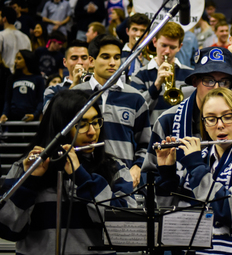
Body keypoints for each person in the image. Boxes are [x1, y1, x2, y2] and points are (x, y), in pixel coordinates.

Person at [0, 90, 135, 254]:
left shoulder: (115, 168)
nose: (92, 131)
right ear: (59, 128)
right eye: (82, 124)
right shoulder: (26, 167)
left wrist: (82, 177)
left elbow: (127, 228)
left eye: (96, 122)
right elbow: (7, 229)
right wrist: (29, 182)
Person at [154, 87, 232, 254]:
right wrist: (167, 174)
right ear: (203, 123)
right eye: (211, 119)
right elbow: (172, 219)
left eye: (227, 117)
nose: (219, 125)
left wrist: (196, 167)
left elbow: (231, 212)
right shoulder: (199, 157)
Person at [141, 46, 232, 174]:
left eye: (224, 82)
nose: (217, 87)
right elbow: (150, 174)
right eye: (209, 80)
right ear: (194, 81)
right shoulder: (168, 120)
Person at [72, 35, 151, 187]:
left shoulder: (136, 97)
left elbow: (145, 143)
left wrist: (138, 166)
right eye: (105, 56)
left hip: (123, 181)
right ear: (91, 60)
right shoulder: (75, 94)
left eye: (117, 57)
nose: (112, 62)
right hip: (81, 179)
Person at [130, 22, 194, 124]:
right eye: (163, 45)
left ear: (179, 47)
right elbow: (135, 109)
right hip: (151, 135)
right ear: (154, 42)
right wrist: (156, 86)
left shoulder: (190, 75)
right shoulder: (140, 75)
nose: (167, 51)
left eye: (172, 47)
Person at [42, 40, 90, 111]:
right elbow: (49, 116)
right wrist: (74, 85)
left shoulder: (97, 88)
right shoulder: (53, 90)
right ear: (65, 62)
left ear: (90, 61)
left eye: (84, 58)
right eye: (74, 58)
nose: (80, 62)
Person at [1, 50, 44, 123]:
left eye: (19, 58)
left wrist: (35, 115)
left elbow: (41, 100)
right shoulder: (12, 78)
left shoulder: (38, 79)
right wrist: (4, 114)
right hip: (13, 117)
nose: (15, 61)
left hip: (30, 118)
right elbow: (7, 100)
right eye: (16, 58)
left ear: (27, 59)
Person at [0, 6, 32, 72]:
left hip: (5, 74)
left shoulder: (1, 35)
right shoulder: (25, 37)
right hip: (20, 75)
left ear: (4, 19)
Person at [120, 13, 150, 78]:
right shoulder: (118, 54)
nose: (138, 34)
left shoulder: (150, 57)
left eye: (143, 31)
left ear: (147, 33)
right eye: (135, 30)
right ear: (127, 31)